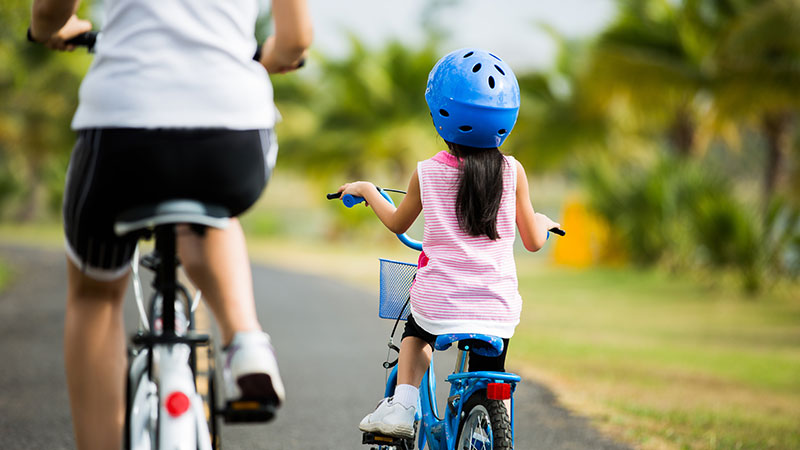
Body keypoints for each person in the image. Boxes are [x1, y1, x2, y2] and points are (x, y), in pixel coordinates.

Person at [28, 0, 312, 448]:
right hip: (231, 137)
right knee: (214, 211)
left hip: (123, 134)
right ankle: (245, 340)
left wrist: (52, 29)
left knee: (95, 297)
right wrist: (274, 56)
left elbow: (51, 10)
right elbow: (296, 40)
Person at [337, 48, 560, 438]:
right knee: (488, 372)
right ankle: (491, 420)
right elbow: (532, 241)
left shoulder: (427, 172)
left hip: (441, 303)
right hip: (497, 308)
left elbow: (397, 222)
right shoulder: (513, 171)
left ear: (440, 112)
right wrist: (541, 222)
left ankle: (403, 406)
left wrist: (369, 191)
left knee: (416, 333)